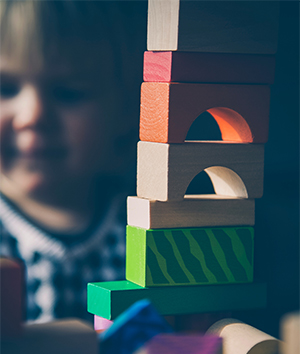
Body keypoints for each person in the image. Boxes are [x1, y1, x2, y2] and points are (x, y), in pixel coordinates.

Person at [0, 0, 145, 323]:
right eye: (5, 88)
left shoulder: (145, 230)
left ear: (125, 109)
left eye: (68, 92)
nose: (33, 116)